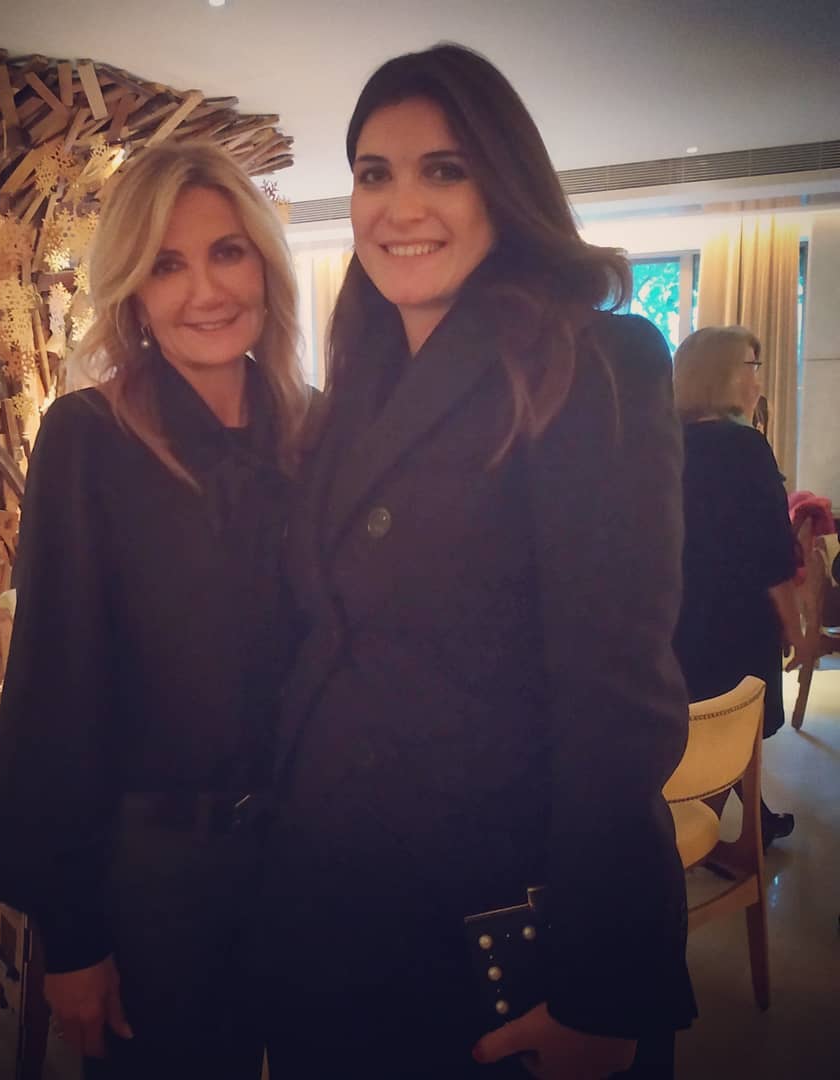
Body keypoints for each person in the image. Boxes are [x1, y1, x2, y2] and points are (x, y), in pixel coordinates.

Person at [258, 44, 696, 1080]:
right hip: (331, 910)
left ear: (504, 186)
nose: (400, 205)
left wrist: (600, 984)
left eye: (443, 170)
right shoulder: (355, 385)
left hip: (492, 921)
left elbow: (617, 697)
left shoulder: (592, 362)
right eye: (374, 173)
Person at [0, 140, 308, 1079]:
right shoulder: (90, 438)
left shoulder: (319, 432)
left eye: (227, 252)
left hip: (316, 868)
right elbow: (53, 693)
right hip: (159, 883)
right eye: (167, 264)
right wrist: (74, 933)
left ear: (265, 265)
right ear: (132, 290)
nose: (204, 290)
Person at [672, 325, 808, 849]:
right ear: (723, 374)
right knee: (732, 723)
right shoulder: (744, 446)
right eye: (753, 367)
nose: (759, 380)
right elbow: (771, 552)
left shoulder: (662, 442)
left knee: (702, 719)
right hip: (735, 616)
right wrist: (794, 626)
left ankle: (755, 823)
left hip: (677, 612)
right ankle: (696, 842)